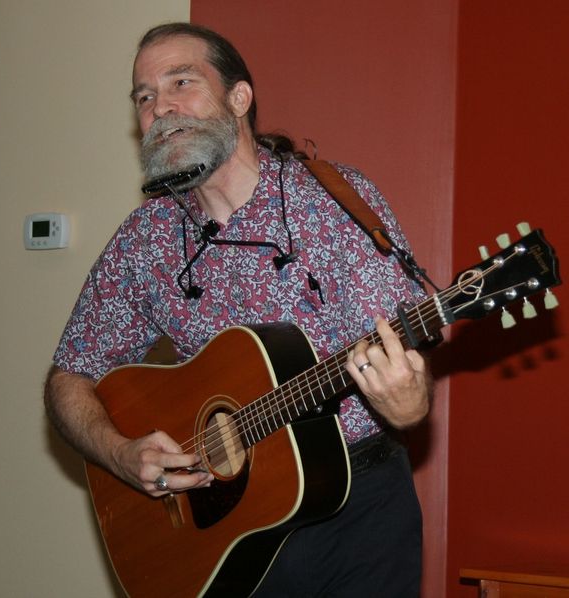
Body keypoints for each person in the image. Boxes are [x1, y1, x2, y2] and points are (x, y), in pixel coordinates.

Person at [45, 22, 431, 597]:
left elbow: (402, 378)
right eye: (144, 97)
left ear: (239, 97)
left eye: (182, 82)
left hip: (357, 508)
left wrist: (407, 403)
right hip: (226, 532)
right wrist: (121, 454)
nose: (160, 108)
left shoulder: (328, 203)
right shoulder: (145, 241)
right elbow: (68, 378)